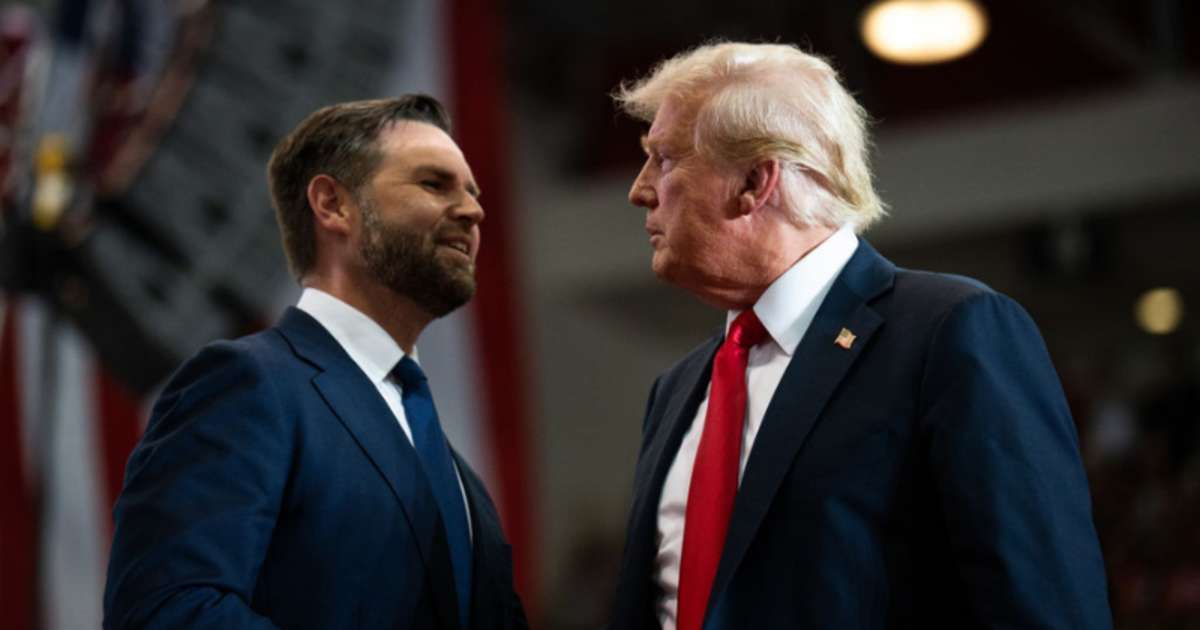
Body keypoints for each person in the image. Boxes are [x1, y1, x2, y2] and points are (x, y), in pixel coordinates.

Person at [607, 42, 1112, 629]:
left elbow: (1045, 609)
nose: (640, 189)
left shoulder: (951, 334)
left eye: (664, 159)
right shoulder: (676, 390)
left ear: (754, 180)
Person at [104, 95, 527, 630]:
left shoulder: (460, 480)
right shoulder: (247, 387)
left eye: (473, 191)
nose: (473, 210)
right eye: (434, 184)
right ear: (332, 205)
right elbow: (167, 613)